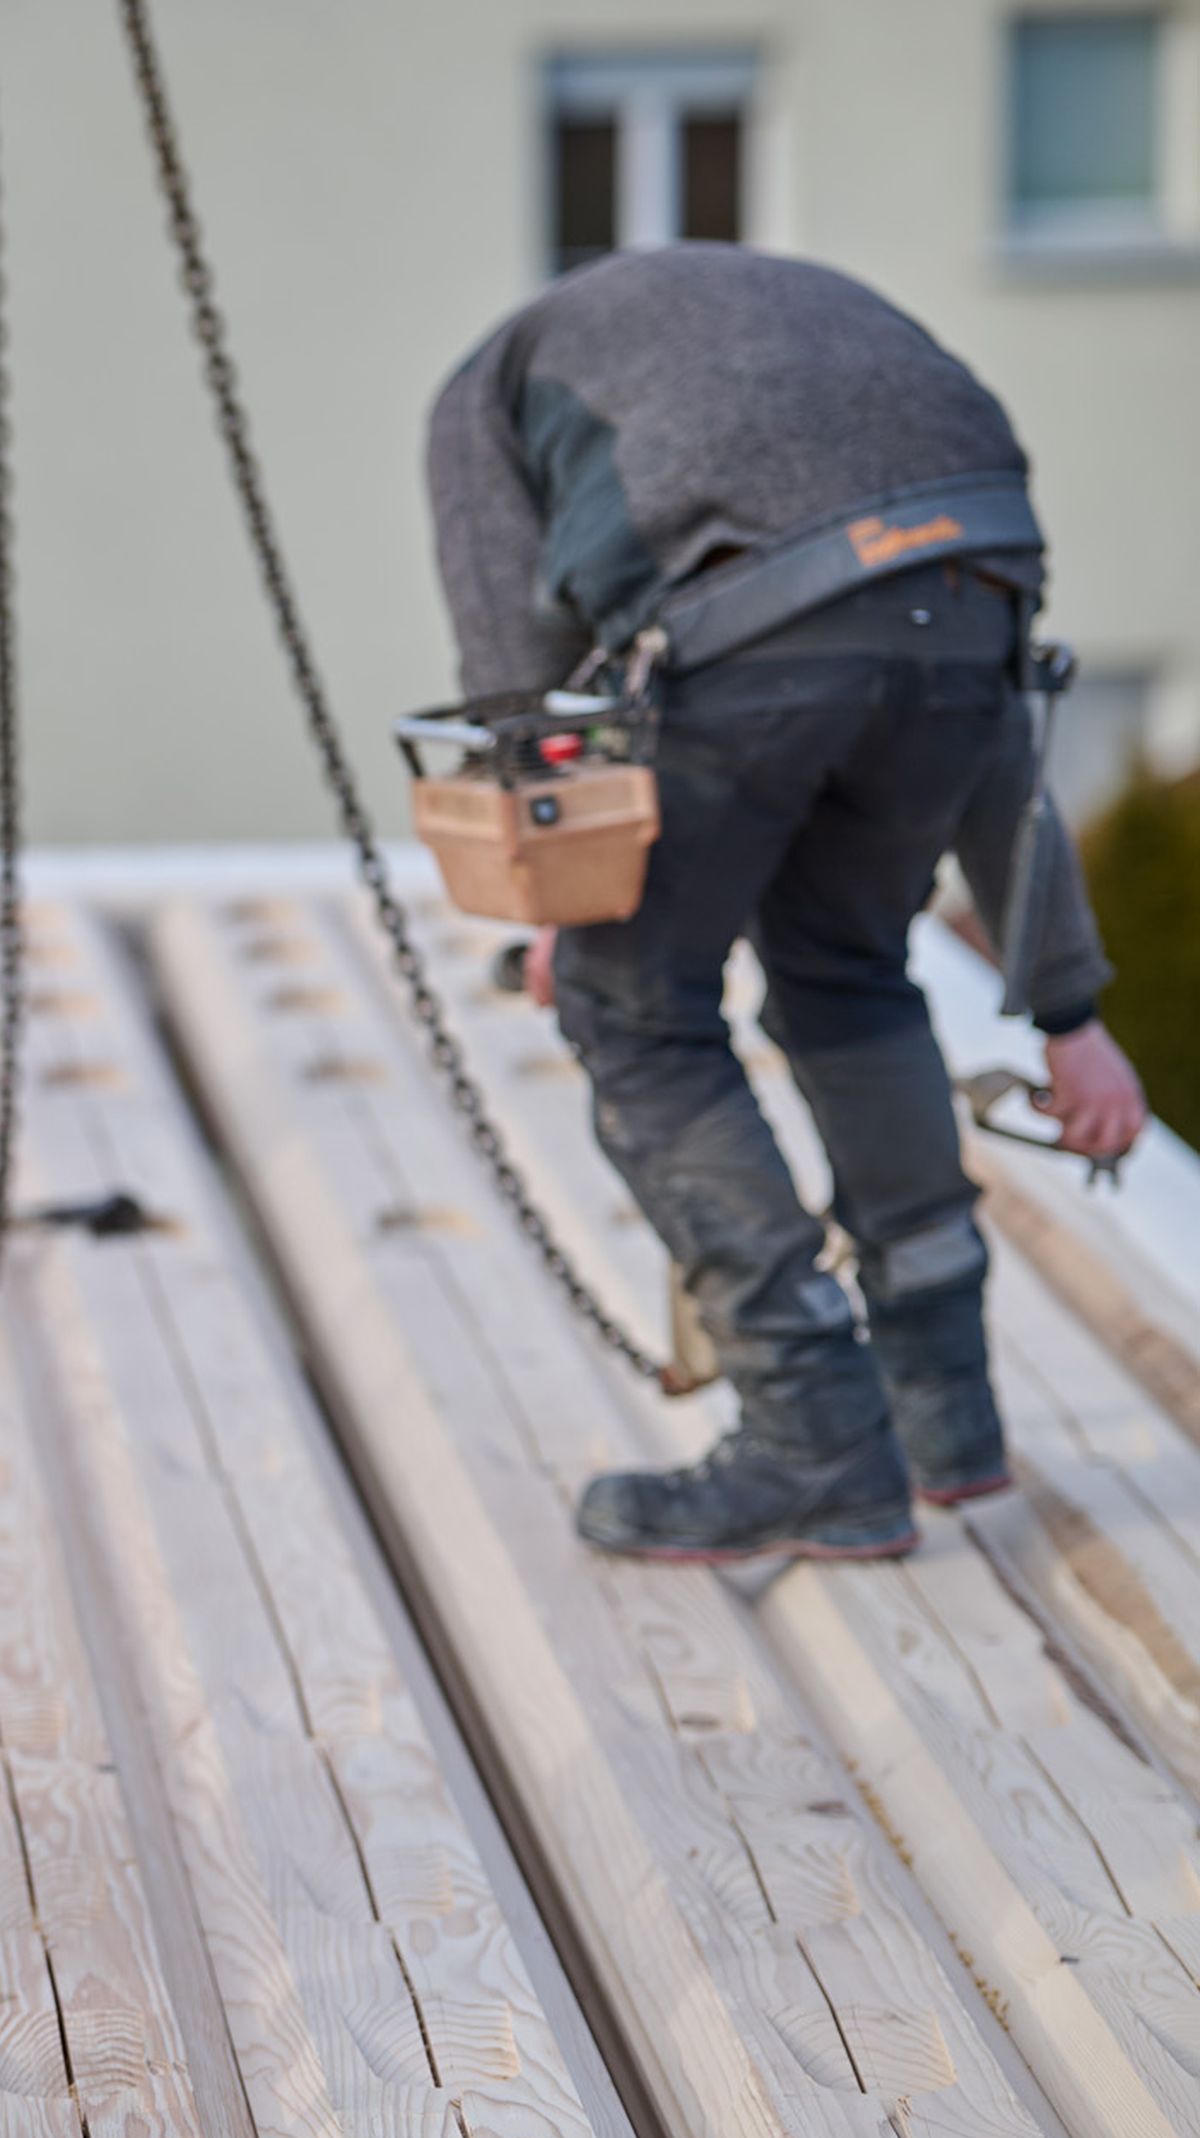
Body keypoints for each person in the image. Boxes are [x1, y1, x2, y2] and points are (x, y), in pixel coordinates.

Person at [423, 244, 1149, 1566]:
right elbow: (998, 750)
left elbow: (516, 679)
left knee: (633, 1009)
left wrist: (559, 894)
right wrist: (1069, 1012)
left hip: (755, 625)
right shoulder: (794, 323)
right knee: (851, 967)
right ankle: (948, 1424)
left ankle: (813, 1436)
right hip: (977, 569)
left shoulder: (487, 389)